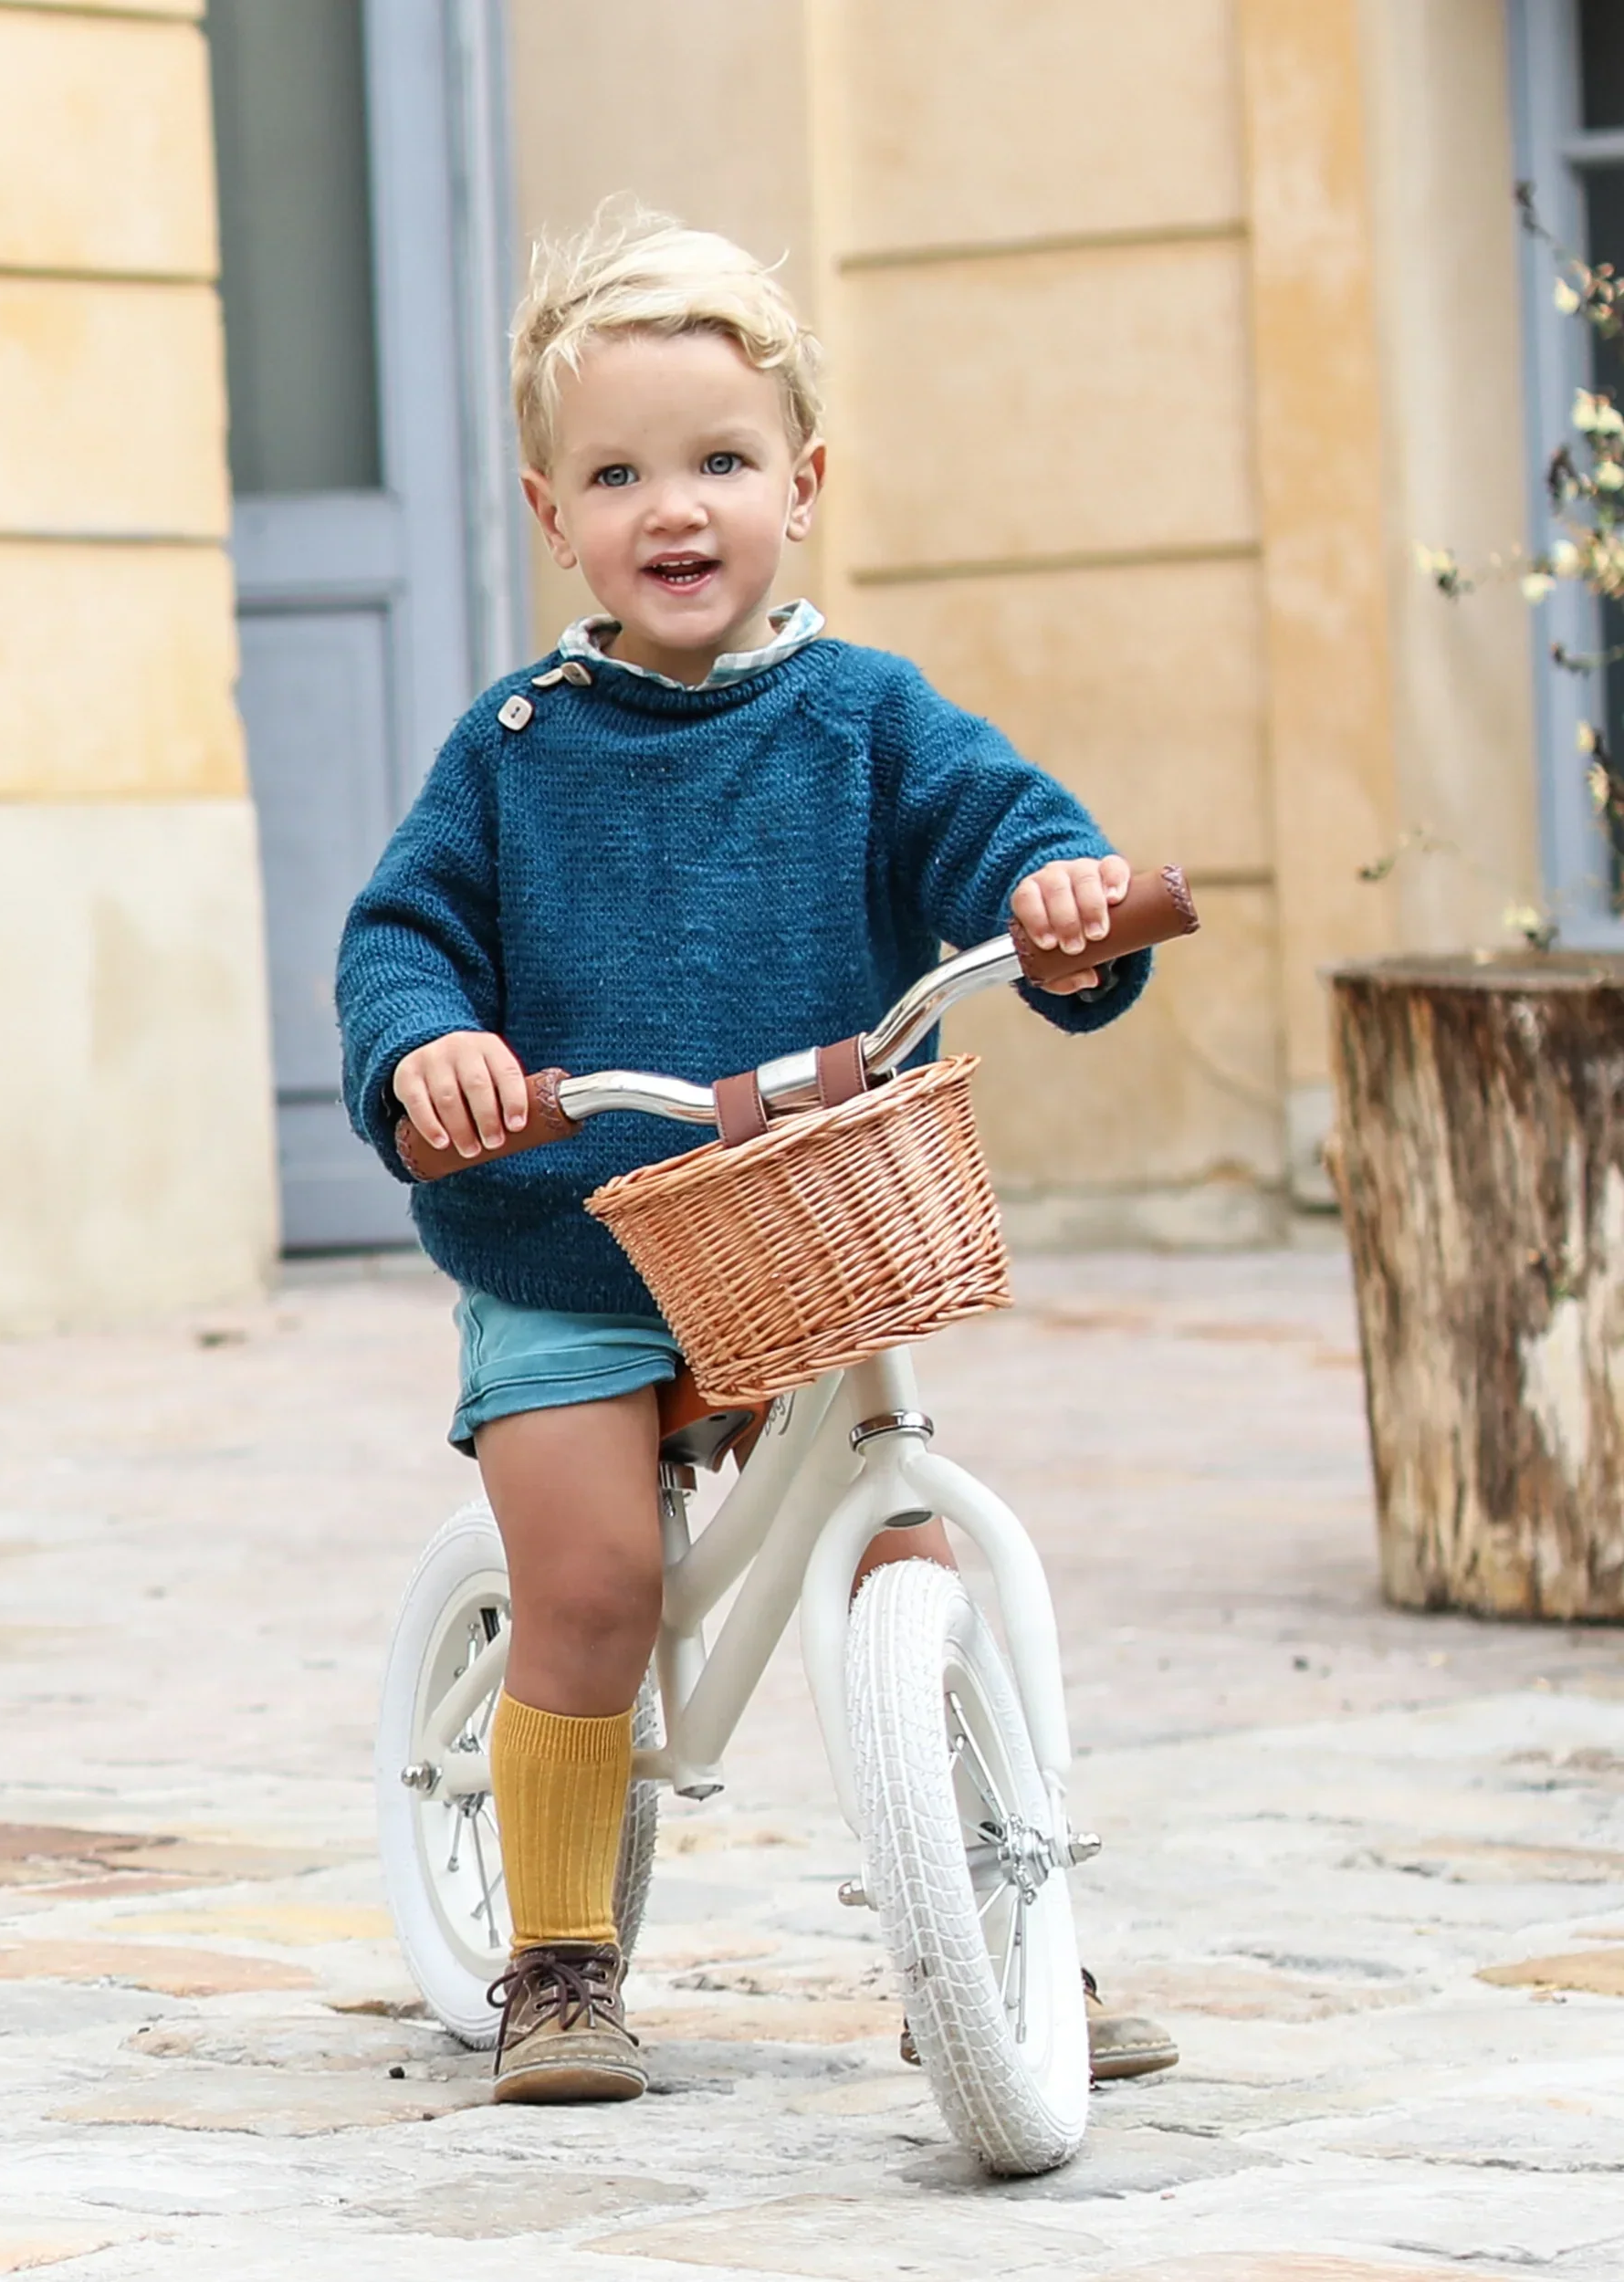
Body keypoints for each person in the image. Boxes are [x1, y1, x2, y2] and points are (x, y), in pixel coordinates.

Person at [337, 206, 1178, 2104]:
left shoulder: (866, 721)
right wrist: (433, 1044)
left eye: (719, 461)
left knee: (896, 1528)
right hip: (568, 1230)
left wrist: (1062, 900)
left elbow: (1001, 836)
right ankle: (558, 1954)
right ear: (554, 513)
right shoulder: (514, 747)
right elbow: (400, 934)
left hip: (806, 1229)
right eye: (620, 472)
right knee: (589, 1579)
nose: (675, 507)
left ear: (799, 483)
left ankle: (995, 1910)